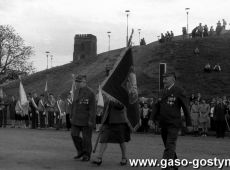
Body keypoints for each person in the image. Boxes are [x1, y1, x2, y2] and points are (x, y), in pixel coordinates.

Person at [149, 72, 191, 170]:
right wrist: (151, 118)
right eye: (163, 79)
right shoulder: (161, 92)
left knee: (170, 144)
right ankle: (175, 164)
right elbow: (156, 106)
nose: (164, 80)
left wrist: (189, 123)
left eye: (166, 79)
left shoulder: (179, 91)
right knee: (167, 145)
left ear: (173, 79)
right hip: (163, 123)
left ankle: (166, 167)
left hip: (174, 123)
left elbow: (186, 108)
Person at [92, 99, 130, 166]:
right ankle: (99, 158)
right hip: (107, 123)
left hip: (119, 122)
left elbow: (120, 106)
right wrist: (102, 122)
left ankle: (124, 157)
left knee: (121, 140)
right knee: (103, 139)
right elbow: (105, 111)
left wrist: (113, 100)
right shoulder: (108, 98)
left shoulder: (120, 96)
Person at [71, 74, 96, 161]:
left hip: (86, 120)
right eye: (76, 81)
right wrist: (71, 116)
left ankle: (87, 155)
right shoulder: (76, 91)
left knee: (86, 139)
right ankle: (80, 151)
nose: (77, 83)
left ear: (84, 82)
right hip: (76, 119)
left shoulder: (90, 93)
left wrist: (91, 120)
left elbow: (93, 108)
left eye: (79, 81)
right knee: (74, 135)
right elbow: (74, 105)